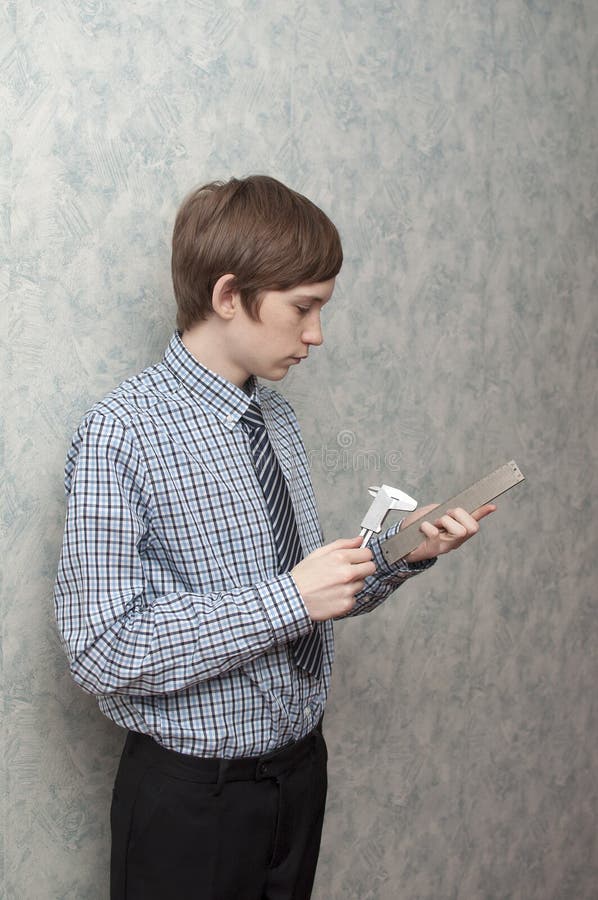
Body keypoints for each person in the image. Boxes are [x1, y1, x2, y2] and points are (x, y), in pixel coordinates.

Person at [53, 175, 494, 900]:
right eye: (303, 308)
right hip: (193, 805)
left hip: (298, 778)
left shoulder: (276, 419)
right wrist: (289, 598)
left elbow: (308, 600)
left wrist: (399, 555)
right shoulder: (120, 432)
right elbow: (102, 648)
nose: (317, 334)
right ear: (229, 295)